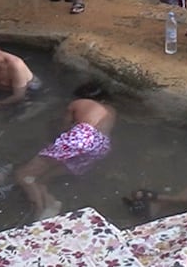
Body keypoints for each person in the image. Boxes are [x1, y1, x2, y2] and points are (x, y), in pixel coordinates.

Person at [15, 82, 115, 220]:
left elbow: (64, 128)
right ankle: (52, 203)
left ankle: (39, 210)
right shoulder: (111, 111)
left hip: (82, 137)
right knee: (42, 179)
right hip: (101, 146)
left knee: (23, 174)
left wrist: (51, 139)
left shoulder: (77, 103)